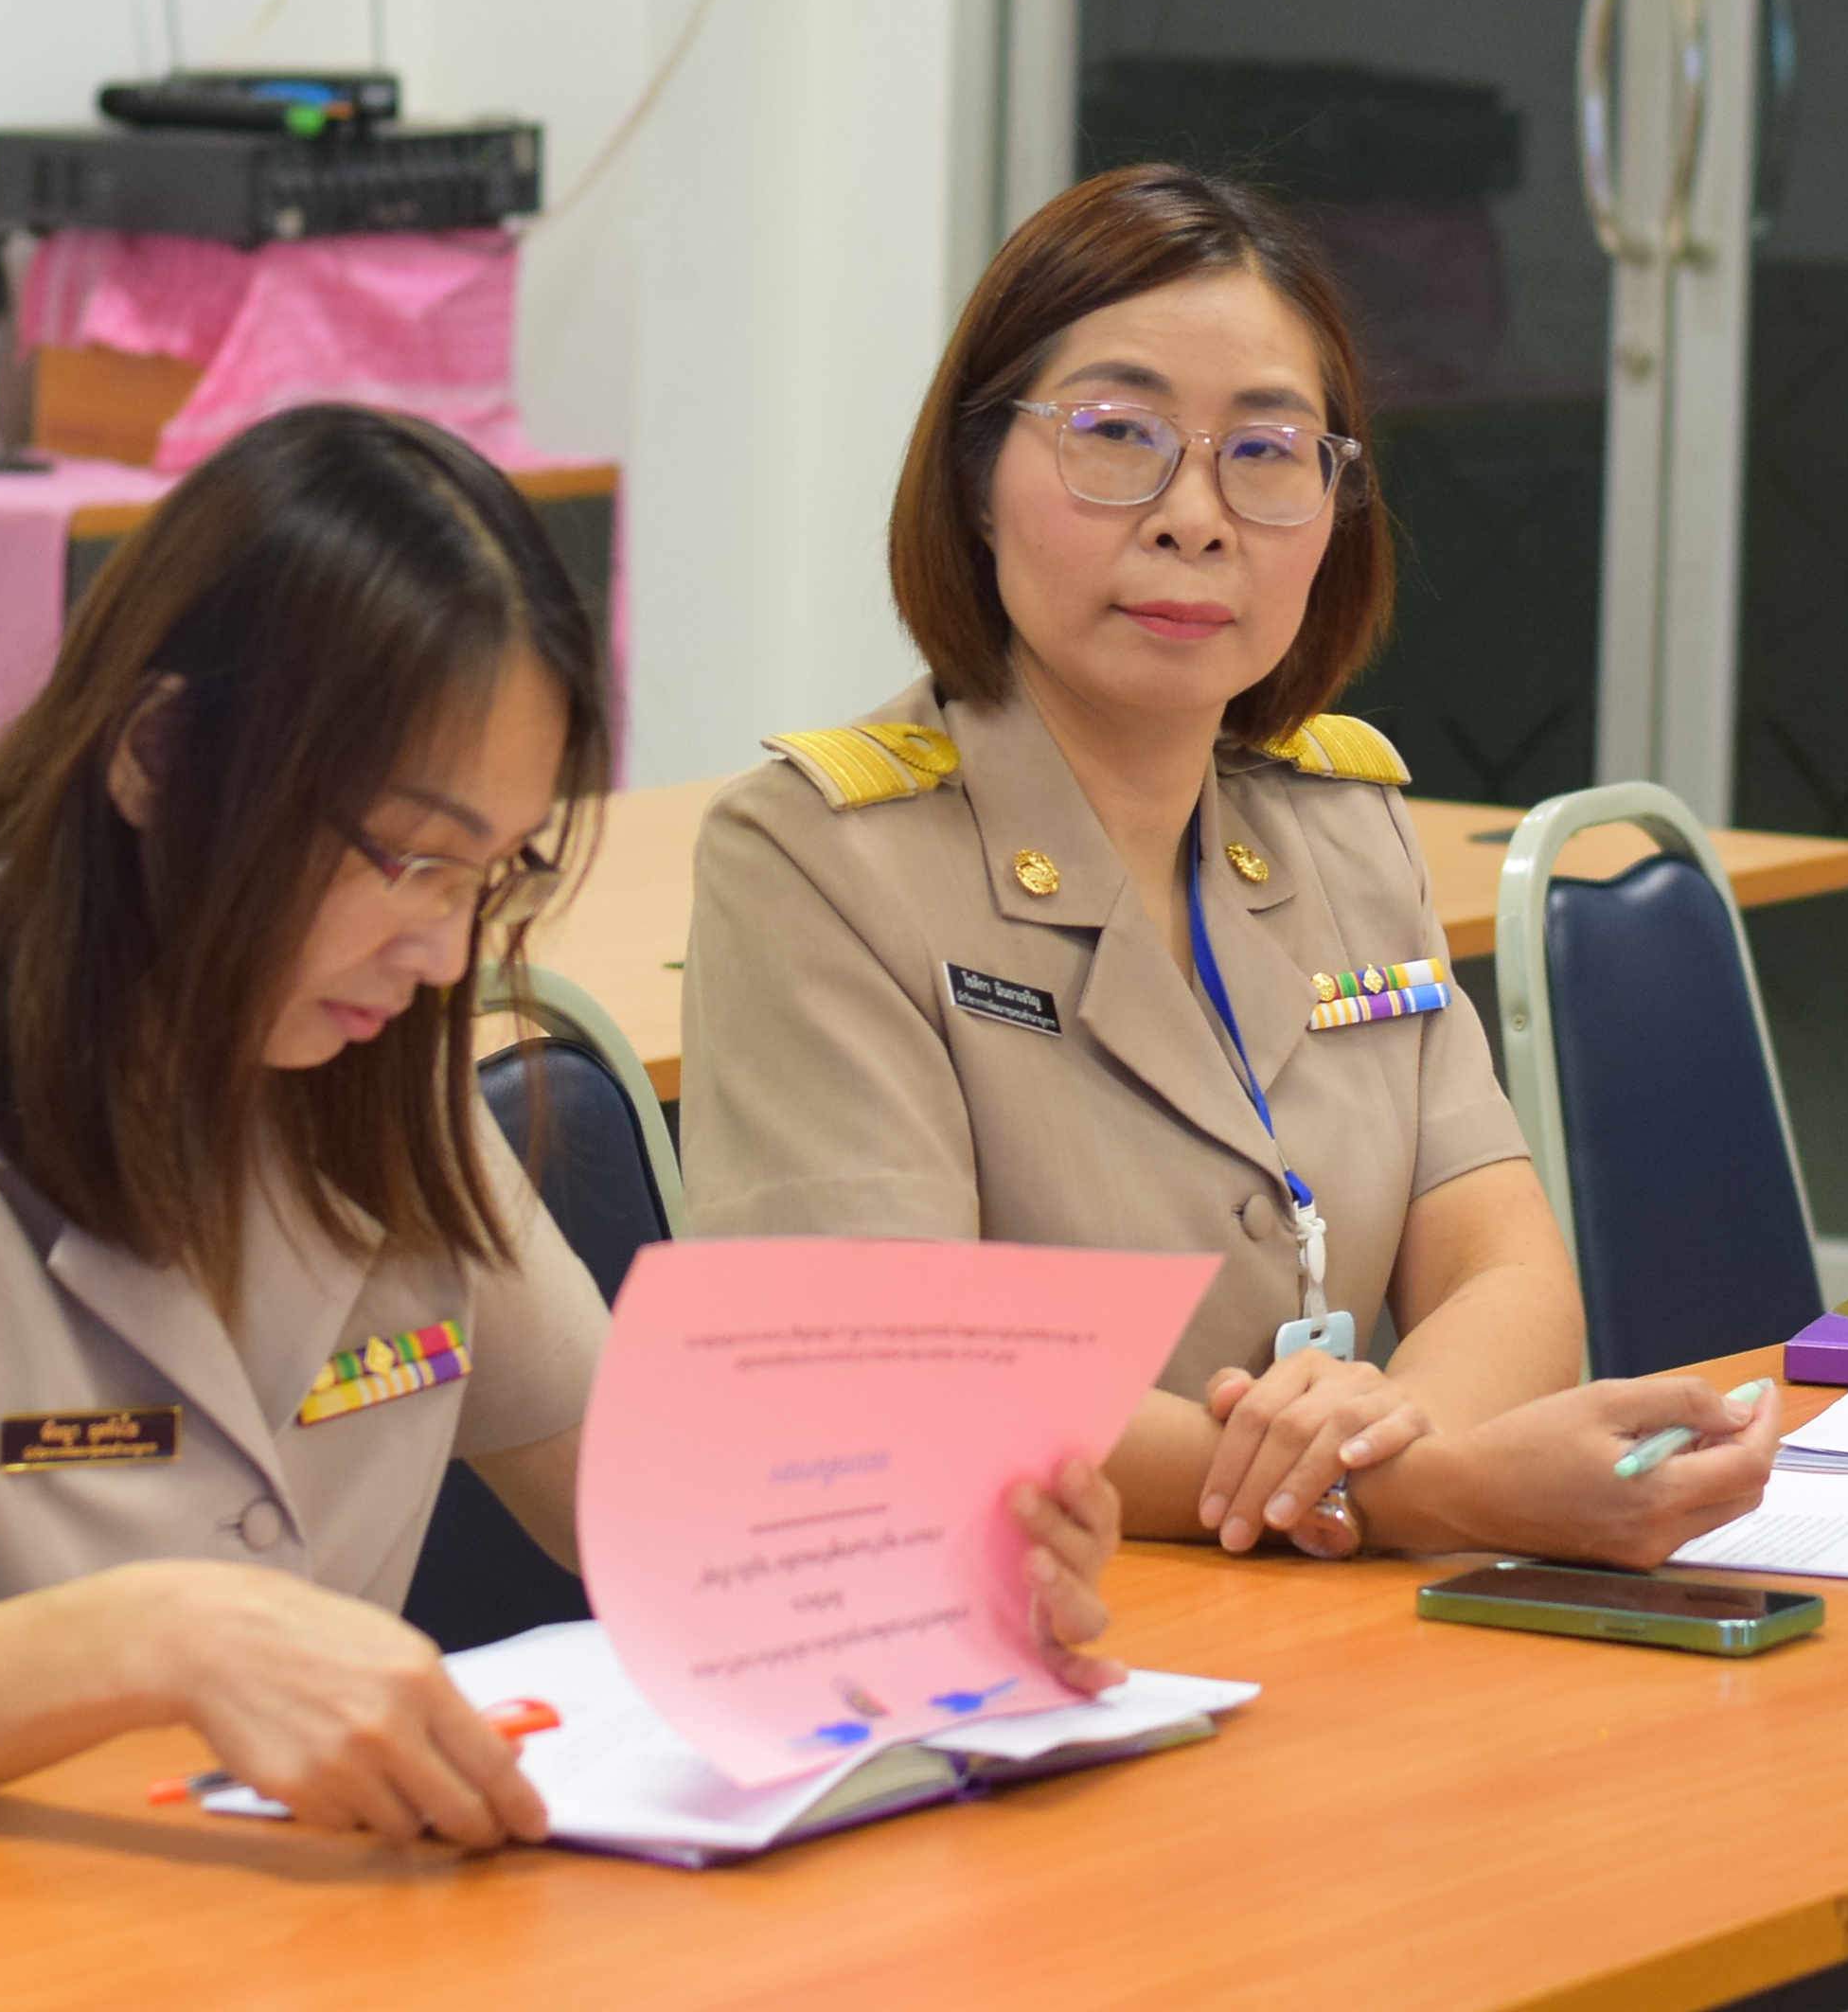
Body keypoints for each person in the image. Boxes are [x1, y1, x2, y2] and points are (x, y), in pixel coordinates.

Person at [0, 406, 1119, 1847]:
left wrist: (943, 1564)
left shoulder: (379, 1085)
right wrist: (151, 1640)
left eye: (489, 876)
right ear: (157, 756)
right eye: (403, 859)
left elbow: (655, 1522)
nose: (443, 955)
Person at [678, 166, 1779, 1568]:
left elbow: (1507, 1271)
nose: (1194, 514)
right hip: (1028, 1651)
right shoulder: (817, 861)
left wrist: (1379, 1451)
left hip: (1334, 1638)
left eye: (1265, 452)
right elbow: (902, 1377)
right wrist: (1403, 1500)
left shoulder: (1344, 824)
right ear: (973, 479)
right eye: (1115, 434)